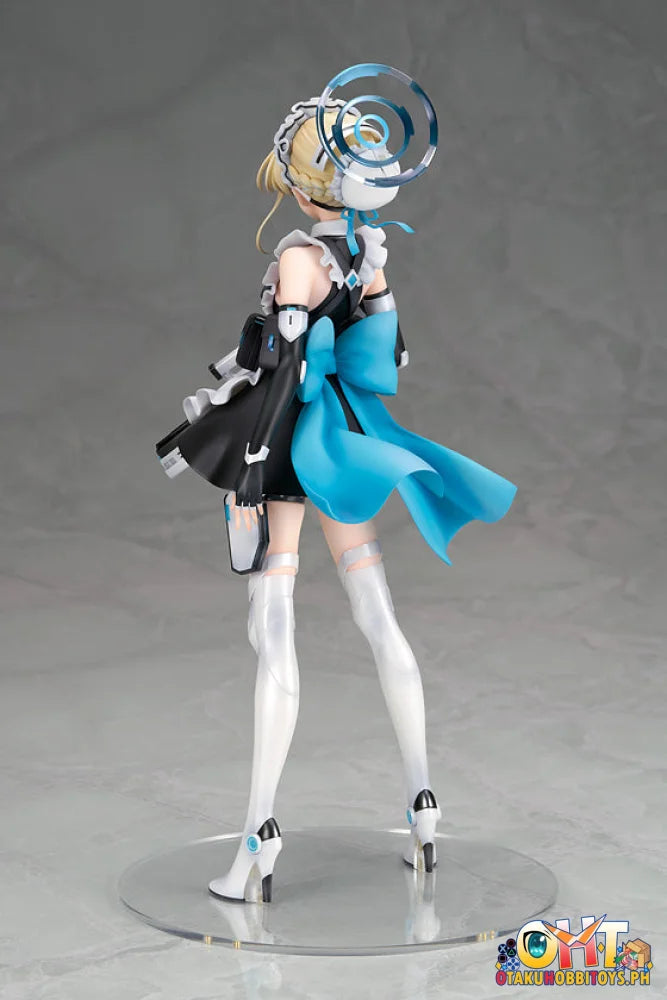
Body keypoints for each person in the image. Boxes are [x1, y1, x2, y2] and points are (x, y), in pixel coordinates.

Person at [156, 75, 517, 903]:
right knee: (376, 614)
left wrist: (251, 468)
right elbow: (389, 356)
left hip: (291, 444)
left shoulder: (298, 257)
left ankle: (257, 836)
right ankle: (423, 808)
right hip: (347, 439)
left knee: (272, 626)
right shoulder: (367, 255)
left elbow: (282, 369)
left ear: (302, 183)